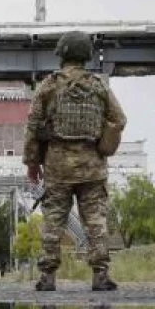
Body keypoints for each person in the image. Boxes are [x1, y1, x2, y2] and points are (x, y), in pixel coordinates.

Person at [23, 31, 127, 292]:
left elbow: (33, 126)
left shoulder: (49, 85)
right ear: (86, 56)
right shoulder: (99, 85)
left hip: (57, 165)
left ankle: (48, 277)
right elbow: (119, 119)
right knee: (95, 221)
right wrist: (104, 145)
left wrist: (32, 163)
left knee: (53, 221)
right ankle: (100, 275)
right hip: (92, 165)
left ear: (62, 55)